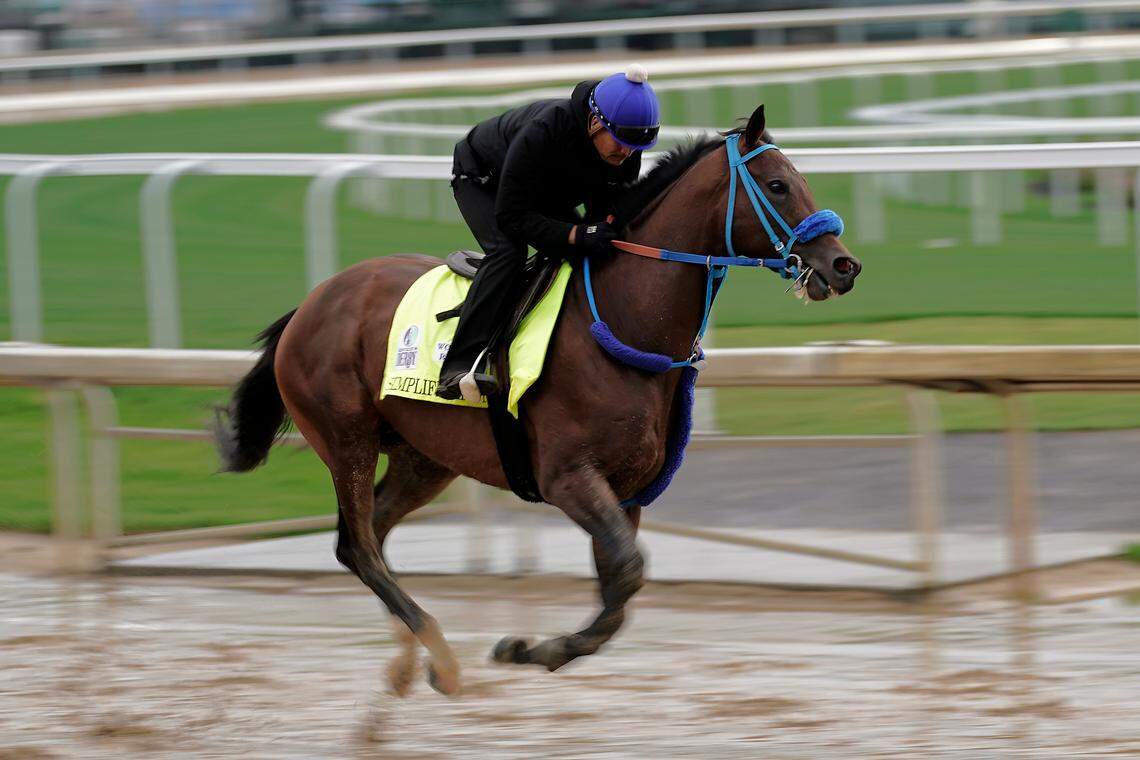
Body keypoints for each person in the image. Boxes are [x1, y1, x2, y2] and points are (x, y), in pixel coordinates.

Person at [436, 64, 660, 401]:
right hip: (485, 180)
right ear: (596, 122)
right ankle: (459, 364)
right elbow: (512, 216)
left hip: (546, 189)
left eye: (634, 146)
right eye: (620, 143)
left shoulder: (627, 146)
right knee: (508, 253)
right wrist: (574, 235)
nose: (627, 153)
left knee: (600, 250)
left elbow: (608, 214)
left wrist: (599, 233)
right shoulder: (546, 129)